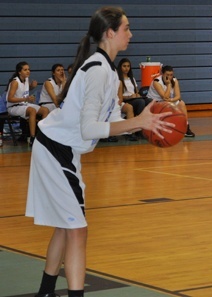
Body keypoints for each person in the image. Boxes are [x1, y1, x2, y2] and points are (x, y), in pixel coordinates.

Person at [25, 7, 174, 297]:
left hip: (63, 149)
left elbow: (114, 121)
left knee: (65, 225)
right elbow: (89, 130)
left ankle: (45, 292)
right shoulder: (96, 71)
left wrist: (145, 125)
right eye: (126, 28)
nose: (131, 34)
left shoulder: (109, 71)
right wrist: (137, 121)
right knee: (77, 229)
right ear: (110, 33)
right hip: (56, 149)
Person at [6, 61, 50, 146]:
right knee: (32, 110)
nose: (28, 71)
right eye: (25, 70)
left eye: (29, 69)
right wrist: (26, 99)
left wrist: (31, 87)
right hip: (13, 107)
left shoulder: (26, 79)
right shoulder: (15, 82)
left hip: (23, 104)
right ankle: (32, 137)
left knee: (45, 110)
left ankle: (41, 134)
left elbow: (22, 90)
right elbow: (10, 98)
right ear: (19, 72)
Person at [147, 65, 195, 137]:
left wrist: (171, 100)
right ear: (162, 74)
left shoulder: (175, 80)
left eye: (171, 75)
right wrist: (169, 84)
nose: (169, 77)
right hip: (154, 102)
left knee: (181, 103)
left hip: (167, 100)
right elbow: (164, 96)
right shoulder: (156, 82)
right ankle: (162, 129)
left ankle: (186, 127)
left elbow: (178, 96)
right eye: (167, 75)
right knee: (166, 105)